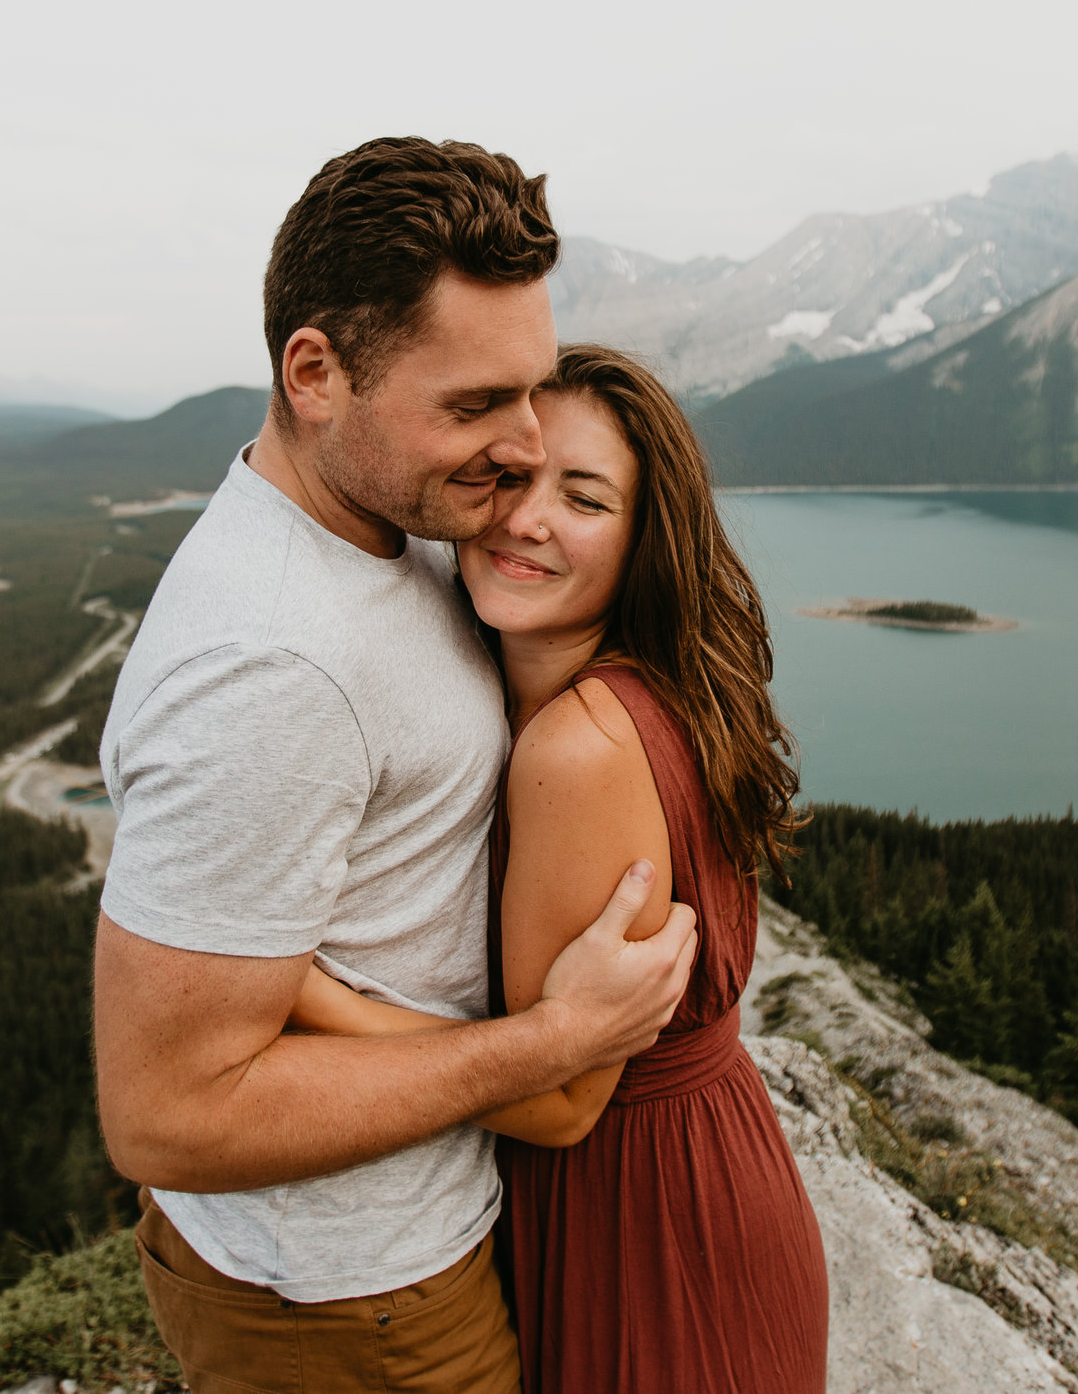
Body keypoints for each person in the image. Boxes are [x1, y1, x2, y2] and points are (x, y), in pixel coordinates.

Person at [90, 138, 702, 1394]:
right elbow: (164, 1113)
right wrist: (552, 1042)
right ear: (314, 372)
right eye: (474, 405)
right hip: (347, 1297)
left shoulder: (402, 517)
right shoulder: (270, 665)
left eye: (529, 390)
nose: (524, 445)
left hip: (407, 1247)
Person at [291, 344, 830, 1392]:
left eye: (582, 496)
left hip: (644, 1217)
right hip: (709, 1169)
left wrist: (304, 993)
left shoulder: (578, 745)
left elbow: (563, 1098)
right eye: (509, 475)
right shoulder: (640, 692)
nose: (524, 518)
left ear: (644, 540)